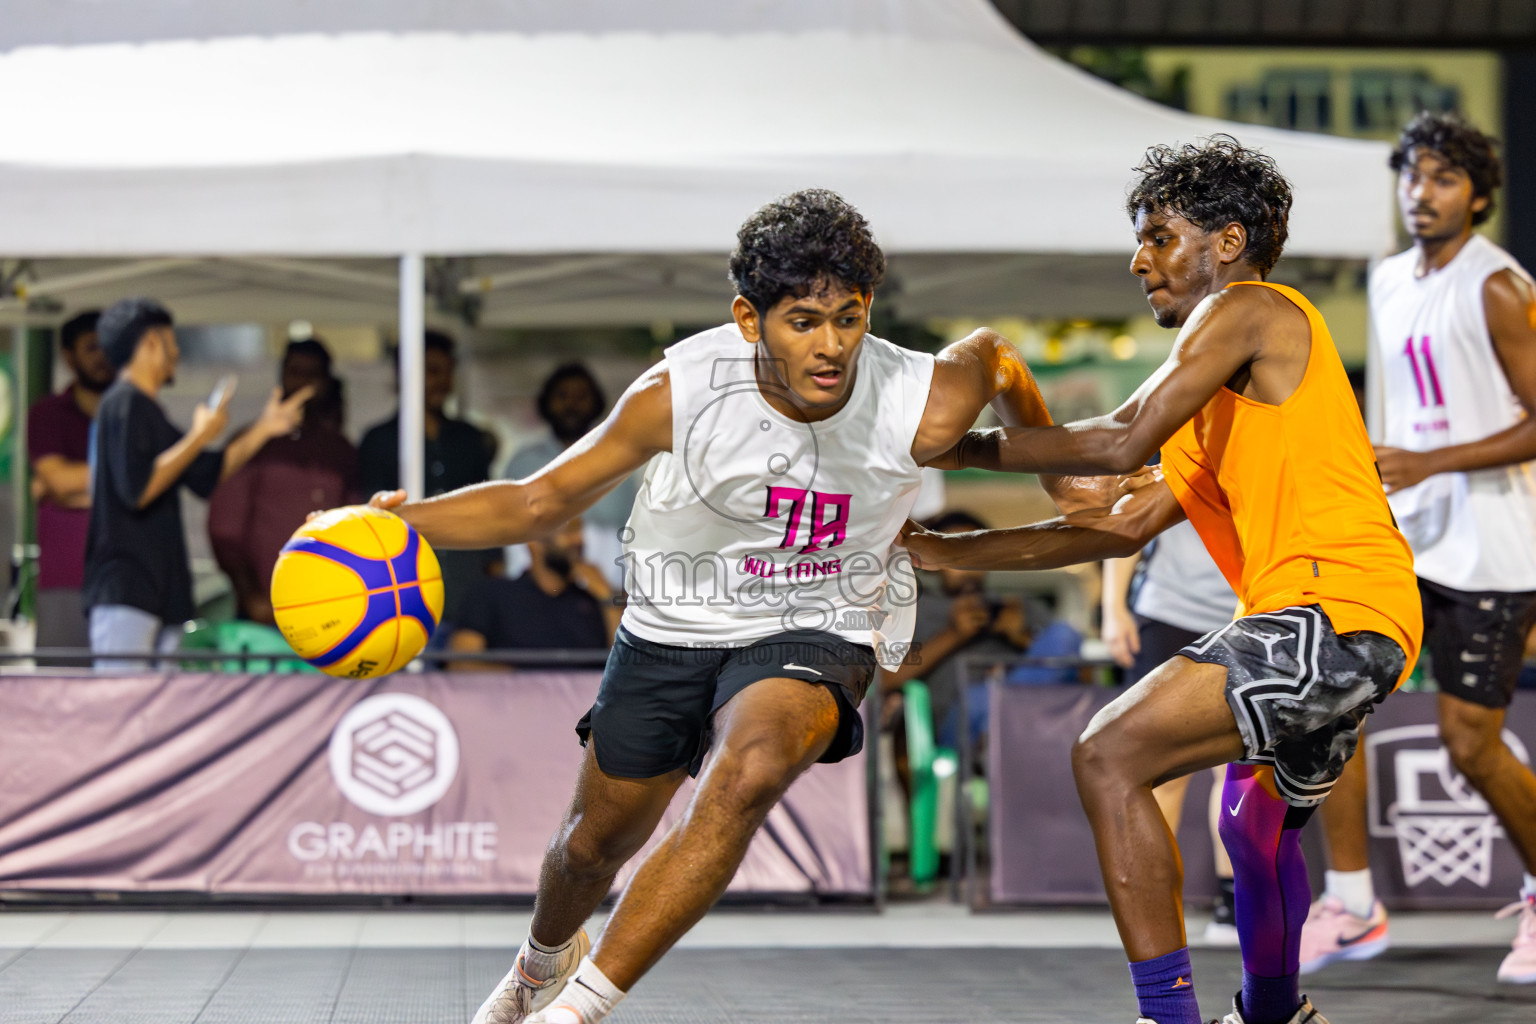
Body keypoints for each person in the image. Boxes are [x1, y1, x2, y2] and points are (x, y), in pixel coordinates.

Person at [355, 189, 1099, 1024]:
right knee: (588, 849)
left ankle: (577, 1013)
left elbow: (996, 357)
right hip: (673, 624)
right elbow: (539, 502)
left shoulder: (914, 397)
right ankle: (541, 966)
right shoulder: (680, 390)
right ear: (750, 319)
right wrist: (398, 521)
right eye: (804, 321)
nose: (832, 347)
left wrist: (1063, 482)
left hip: (820, 619)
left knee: (748, 771)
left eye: (850, 318)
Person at [903, 137, 1421, 1024]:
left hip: (1331, 610)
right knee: (1250, 829)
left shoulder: (1251, 307)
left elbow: (1115, 440)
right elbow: (1111, 520)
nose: (1139, 259)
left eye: (1158, 234)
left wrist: (961, 446)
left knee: (1108, 753)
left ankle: (1168, 1017)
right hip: (1362, 624)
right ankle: (1275, 1014)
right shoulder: (1214, 400)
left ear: (1226, 239)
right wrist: (933, 549)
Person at [1301, 112, 1536, 984]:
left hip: (1495, 546)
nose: (1420, 193)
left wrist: (1430, 461)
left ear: (1478, 195)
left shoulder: (1500, 286)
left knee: (1471, 745)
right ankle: (1354, 904)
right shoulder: (1388, 278)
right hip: (1405, 541)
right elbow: (1394, 415)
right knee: (1332, 711)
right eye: (1412, 175)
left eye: (1442, 178)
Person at [83, 298, 310, 666]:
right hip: (126, 590)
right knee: (122, 707)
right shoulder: (122, 404)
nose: (176, 353)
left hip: (161, 595)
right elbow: (137, 490)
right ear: (152, 344)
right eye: (171, 343)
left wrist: (264, 428)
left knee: (161, 712)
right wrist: (198, 438)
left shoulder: (148, 411)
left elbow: (206, 474)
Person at [1103, 520, 1241, 944]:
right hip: (1167, 612)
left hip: (1247, 616)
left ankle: (1232, 907)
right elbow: (1129, 524)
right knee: (1161, 773)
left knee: (1238, 772)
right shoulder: (1159, 454)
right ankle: (1153, 908)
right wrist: (1113, 609)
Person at [208, 338, 357, 625]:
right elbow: (225, 530)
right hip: (263, 614)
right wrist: (251, 596)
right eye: (295, 371)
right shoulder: (253, 443)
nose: (303, 383)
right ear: (282, 376)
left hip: (330, 612)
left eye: (312, 374)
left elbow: (354, 527)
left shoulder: (342, 452)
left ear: (327, 380)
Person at [358, 329, 498, 630]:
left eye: (447, 373)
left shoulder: (469, 439)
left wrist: (494, 576)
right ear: (404, 375)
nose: (443, 382)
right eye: (432, 371)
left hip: (467, 593)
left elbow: (489, 511)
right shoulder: (379, 440)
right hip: (404, 595)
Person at [879, 509, 1036, 751]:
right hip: (958, 718)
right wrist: (955, 634)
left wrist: (1022, 637)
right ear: (934, 560)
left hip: (1026, 705)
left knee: (1064, 636)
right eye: (955, 554)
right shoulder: (914, 607)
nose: (966, 564)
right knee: (992, 701)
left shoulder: (1012, 606)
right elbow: (885, 678)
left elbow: (1077, 668)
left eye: (976, 552)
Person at [504, 363, 640, 586]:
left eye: (581, 396)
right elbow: (509, 532)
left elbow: (630, 535)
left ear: (597, 403)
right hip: (536, 591)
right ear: (546, 402)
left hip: (607, 591)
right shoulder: (523, 463)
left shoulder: (619, 461)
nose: (572, 405)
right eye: (562, 396)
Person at [27, 311, 114, 653]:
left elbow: (157, 482)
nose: (103, 356)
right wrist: (127, 481)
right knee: (61, 690)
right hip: (66, 575)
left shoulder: (138, 412)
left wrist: (65, 488)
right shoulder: (48, 413)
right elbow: (60, 482)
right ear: (68, 356)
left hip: (126, 582)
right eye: (92, 347)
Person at [447, 516, 619, 667]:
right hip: (510, 702)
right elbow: (462, 664)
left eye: (580, 531)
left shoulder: (597, 600)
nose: (579, 540)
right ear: (534, 542)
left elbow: (625, 667)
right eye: (569, 531)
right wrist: (530, 685)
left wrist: (608, 599)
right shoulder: (490, 594)